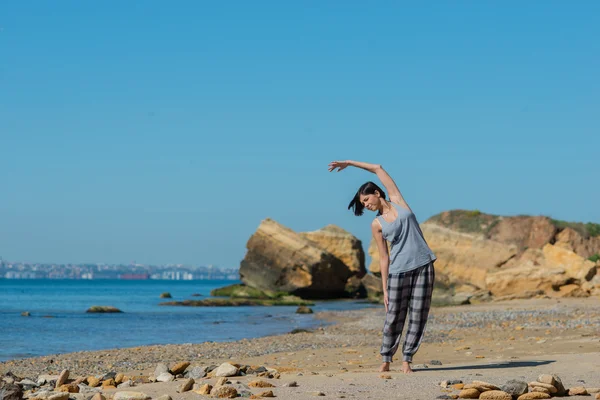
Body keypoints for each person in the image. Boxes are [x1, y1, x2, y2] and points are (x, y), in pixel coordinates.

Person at [328, 160, 436, 374]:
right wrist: (385, 289)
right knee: (394, 316)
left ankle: (407, 360)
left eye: (367, 199)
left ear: (377, 193)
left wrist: (348, 163)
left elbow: (378, 168)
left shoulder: (398, 201)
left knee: (418, 315)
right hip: (398, 271)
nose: (366, 205)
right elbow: (384, 257)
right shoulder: (377, 224)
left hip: (424, 265)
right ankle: (386, 358)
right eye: (363, 203)